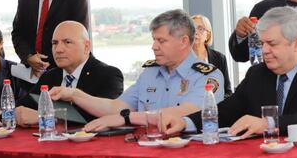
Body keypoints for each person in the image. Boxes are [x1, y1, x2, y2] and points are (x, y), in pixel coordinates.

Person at [163, 6, 297, 137]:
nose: (264, 50)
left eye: (272, 44)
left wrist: (268, 124)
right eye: (262, 43)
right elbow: (228, 110)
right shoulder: (257, 74)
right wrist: (187, 122)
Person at [50, 9, 224, 131]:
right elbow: (115, 107)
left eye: (161, 41)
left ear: (184, 41)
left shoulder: (208, 76)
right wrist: (74, 95)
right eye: (154, 40)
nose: (153, 46)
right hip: (145, 152)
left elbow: (184, 112)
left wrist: (127, 118)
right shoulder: (149, 73)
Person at [15, 21, 124, 125]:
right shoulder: (50, 76)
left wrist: (45, 116)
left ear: (86, 47)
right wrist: (16, 113)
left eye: (67, 42)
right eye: (54, 43)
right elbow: (24, 105)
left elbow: (105, 115)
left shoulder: (109, 75)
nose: (58, 49)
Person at [11, 0, 89, 77]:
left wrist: (46, 64)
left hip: (63, 71)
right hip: (30, 72)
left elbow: (77, 38)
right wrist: (29, 57)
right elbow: (17, 34)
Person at [191, 14, 232, 98]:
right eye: (192, 28)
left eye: (200, 28)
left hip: (215, 108)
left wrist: (215, 103)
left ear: (208, 35)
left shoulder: (220, 58)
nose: (195, 32)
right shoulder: (180, 59)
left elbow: (227, 92)